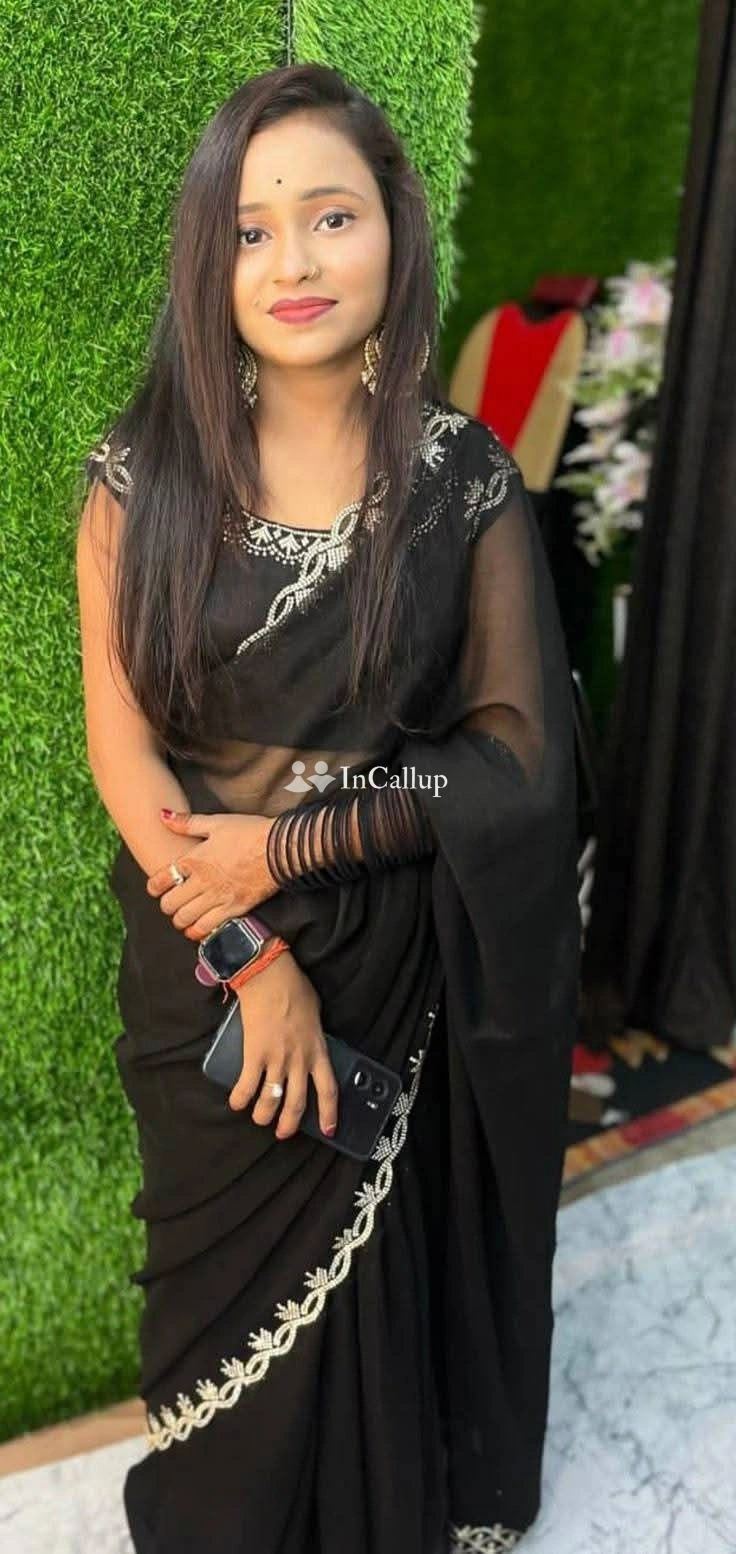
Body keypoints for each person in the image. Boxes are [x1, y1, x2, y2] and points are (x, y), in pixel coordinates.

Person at [76, 61, 580, 1554]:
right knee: (221, 1344)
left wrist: (293, 847)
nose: (292, 260)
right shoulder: (141, 481)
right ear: (209, 257)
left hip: (397, 967)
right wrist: (251, 957)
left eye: (331, 216)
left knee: (383, 1305)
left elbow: (516, 762)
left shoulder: (460, 481)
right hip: (202, 965)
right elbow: (126, 753)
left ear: (395, 229)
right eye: (251, 229)